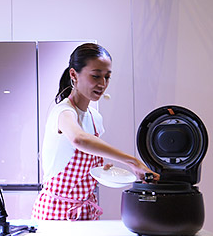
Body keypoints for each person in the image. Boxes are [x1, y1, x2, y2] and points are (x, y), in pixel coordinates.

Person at [31, 43, 159, 221]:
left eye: (107, 77)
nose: (103, 84)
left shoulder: (95, 117)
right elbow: (79, 139)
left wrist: (101, 171)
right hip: (55, 213)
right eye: (96, 76)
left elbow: (82, 158)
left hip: (85, 211)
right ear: (74, 75)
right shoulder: (63, 111)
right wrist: (133, 161)